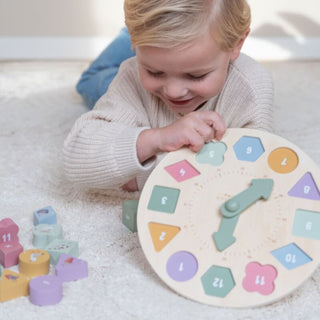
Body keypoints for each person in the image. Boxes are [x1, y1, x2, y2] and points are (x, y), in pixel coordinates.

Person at [64, 0, 274, 193]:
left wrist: (139, 174)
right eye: (154, 72)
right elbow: (76, 160)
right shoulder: (130, 77)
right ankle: (128, 37)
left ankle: (134, 44)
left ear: (236, 45)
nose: (174, 92)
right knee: (91, 82)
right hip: (122, 75)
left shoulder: (251, 88)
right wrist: (156, 139)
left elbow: (252, 174)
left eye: (195, 75)